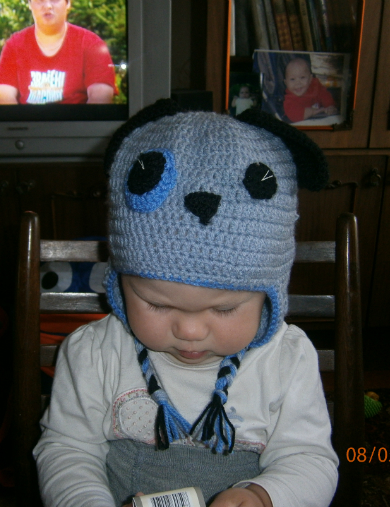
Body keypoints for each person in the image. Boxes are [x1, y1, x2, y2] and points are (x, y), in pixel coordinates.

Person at [34, 99, 339, 507]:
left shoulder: (287, 359)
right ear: (121, 284)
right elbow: (66, 450)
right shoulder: (94, 353)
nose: (190, 330)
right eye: (157, 304)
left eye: (225, 309)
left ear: (270, 294)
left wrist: (265, 497)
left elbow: (311, 460)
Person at [0, 0, 116, 105]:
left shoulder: (92, 44)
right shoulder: (14, 45)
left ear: (68, 3)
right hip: (28, 124)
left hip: (77, 124)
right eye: (40, 0)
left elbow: (101, 99)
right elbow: (4, 96)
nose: (47, 6)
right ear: (30, 4)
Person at [282, 57, 337, 123]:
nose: (298, 83)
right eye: (292, 79)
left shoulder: (315, 86)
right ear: (286, 83)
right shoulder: (289, 99)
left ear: (310, 79)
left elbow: (325, 95)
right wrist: (314, 111)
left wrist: (330, 106)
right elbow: (295, 115)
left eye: (302, 77)